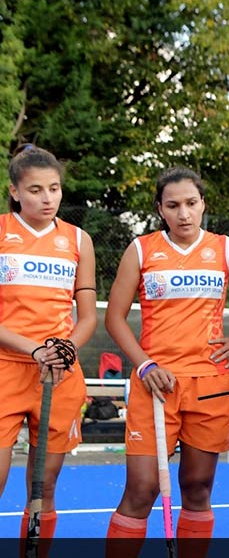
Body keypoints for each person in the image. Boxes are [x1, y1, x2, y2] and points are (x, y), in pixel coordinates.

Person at [104, 166, 229, 554]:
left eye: (191, 203)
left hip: (209, 386)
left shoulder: (226, 248)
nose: (184, 214)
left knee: (197, 488)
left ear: (203, 204)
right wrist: (145, 364)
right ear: (160, 209)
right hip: (155, 385)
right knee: (141, 490)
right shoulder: (142, 249)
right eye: (173, 205)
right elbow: (114, 317)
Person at [0, 143, 97, 546]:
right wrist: (33, 348)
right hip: (6, 367)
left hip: (57, 374)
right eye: (36, 190)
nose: (47, 198)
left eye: (54, 189)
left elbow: (88, 315)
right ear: (15, 191)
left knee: (45, 489)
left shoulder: (78, 239)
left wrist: (65, 349)